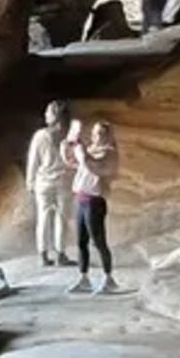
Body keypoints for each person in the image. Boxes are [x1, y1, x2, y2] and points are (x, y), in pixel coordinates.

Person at [62, 119, 121, 294]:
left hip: (95, 202)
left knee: (98, 241)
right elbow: (74, 162)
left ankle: (109, 278)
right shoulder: (90, 150)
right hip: (81, 199)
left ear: (108, 135)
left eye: (101, 133)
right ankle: (83, 278)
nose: (96, 136)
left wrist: (80, 150)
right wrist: (68, 146)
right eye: (94, 133)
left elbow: (92, 166)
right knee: (81, 241)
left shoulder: (109, 153)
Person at [25, 100, 75, 267]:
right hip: (63, 181)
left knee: (43, 217)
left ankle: (43, 255)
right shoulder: (69, 135)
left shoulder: (40, 136)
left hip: (43, 182)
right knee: (62, 218)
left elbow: (33, 161)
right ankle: (61, 254)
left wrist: (30, 182)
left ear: (55, 116)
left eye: (48, 112)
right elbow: (74, 160)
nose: (45, 115)